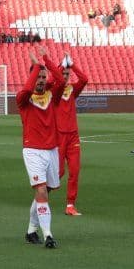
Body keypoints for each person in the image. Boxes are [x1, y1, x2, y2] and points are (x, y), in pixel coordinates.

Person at [16, 46, 66, 249]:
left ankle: (30, 230)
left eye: (44, 77)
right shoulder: (23, 99)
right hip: (33, 151)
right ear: (31, 77)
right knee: (42, 190)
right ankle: (48, 235)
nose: (41, 80)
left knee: (45, 193)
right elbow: (27, 89)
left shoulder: (51, 95)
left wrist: (45, 59)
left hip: (52, 150)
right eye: (38, 77)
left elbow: (61, 80)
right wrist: (37, 66)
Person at [55, 54, 89, 216]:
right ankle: (42, 196)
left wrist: (72, 64)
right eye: (63, 74)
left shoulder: (72, 91)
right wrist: (61, 67)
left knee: (74, 171)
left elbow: (84, 79)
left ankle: (70, 205)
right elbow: (56, 76)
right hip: (59, 136)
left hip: (73, 136)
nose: (66, 77)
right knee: (59, 172)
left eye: (67, 74)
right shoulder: (53, 91)